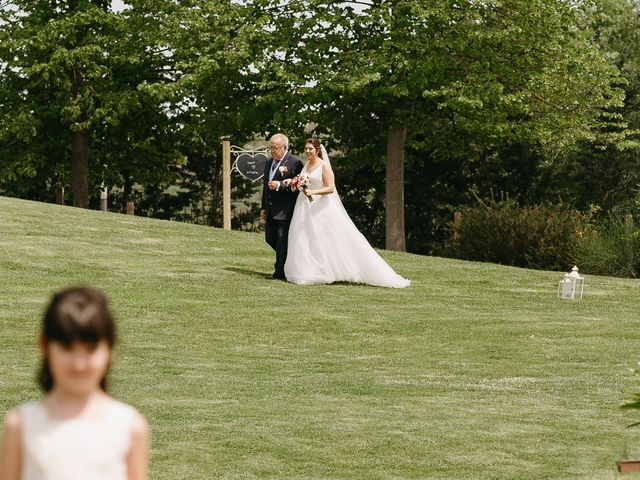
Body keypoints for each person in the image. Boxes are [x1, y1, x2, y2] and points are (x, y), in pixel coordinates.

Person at [0, 287, 149, 480]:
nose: (79, 364)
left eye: (91, 349)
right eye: (66, 347)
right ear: (44, 346)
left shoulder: (129, 426)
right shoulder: (21, 424)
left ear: (109, 349)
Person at [284, 138, 410, 288]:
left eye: (310, 148)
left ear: (317, 150)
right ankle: (307, 270)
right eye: (306, 149)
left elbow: (330, 188)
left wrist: (313, 191)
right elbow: (302, 181)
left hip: (320, 206)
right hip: (304, 206)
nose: (307, 151)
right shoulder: (307, 165)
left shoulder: (324, 166)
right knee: (304, 237)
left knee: (322, 238)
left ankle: (331, 269)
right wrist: (293, 182)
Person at [260, 133, 303, 279]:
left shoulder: (295, 163)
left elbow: (296, 188)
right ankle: (289, 260)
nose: (272, 150)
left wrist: (279, 185)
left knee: (281, 241)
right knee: (270, 238)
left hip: (285, 209)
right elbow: (265, 187)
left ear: (284, 147)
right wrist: (264, 208)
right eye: (270, 147)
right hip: (271, 210)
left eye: (275, 148)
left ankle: (280, 272)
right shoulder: (268, 162)